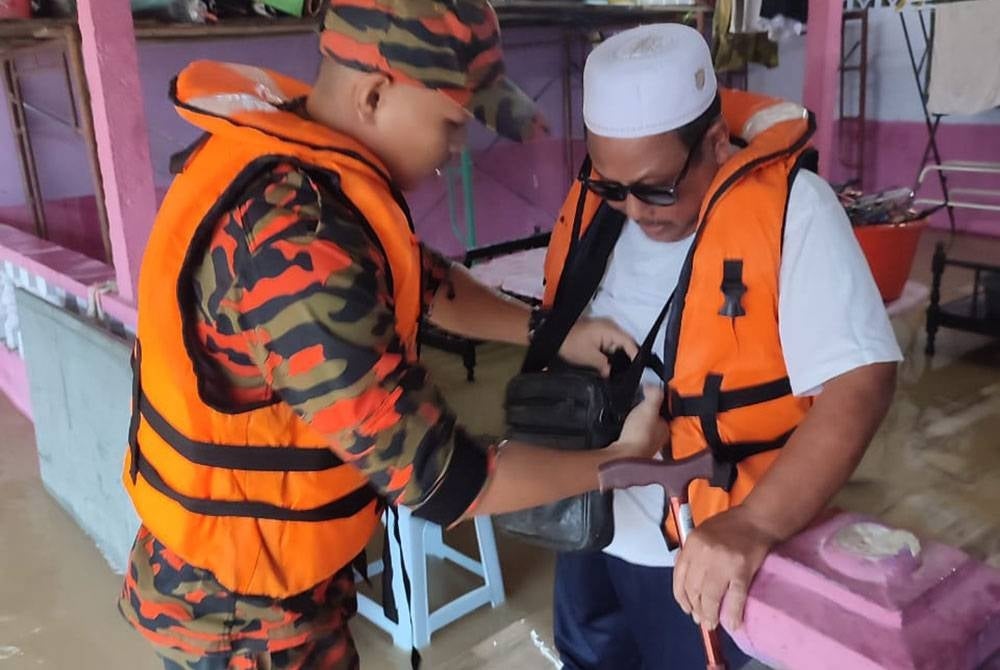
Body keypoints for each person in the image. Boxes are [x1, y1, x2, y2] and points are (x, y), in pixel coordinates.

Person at [116, 2, 669, 668]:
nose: (455, 152)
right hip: (244, 614)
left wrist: (552, 330)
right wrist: (621, 463)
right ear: (375, 95)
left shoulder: (295, 167)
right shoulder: (301, 243)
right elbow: (448, 482)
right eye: (451, 125)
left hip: (246, 572)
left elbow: (421, 280)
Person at [539, 24, 902, 669]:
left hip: (701, 548)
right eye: (610, 186)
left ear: (713, 141)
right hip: (589, 526)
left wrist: (756, 524)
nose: (632, 209)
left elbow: (862, 382)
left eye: (655, 189)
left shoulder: (794, 211)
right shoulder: (602, 206)